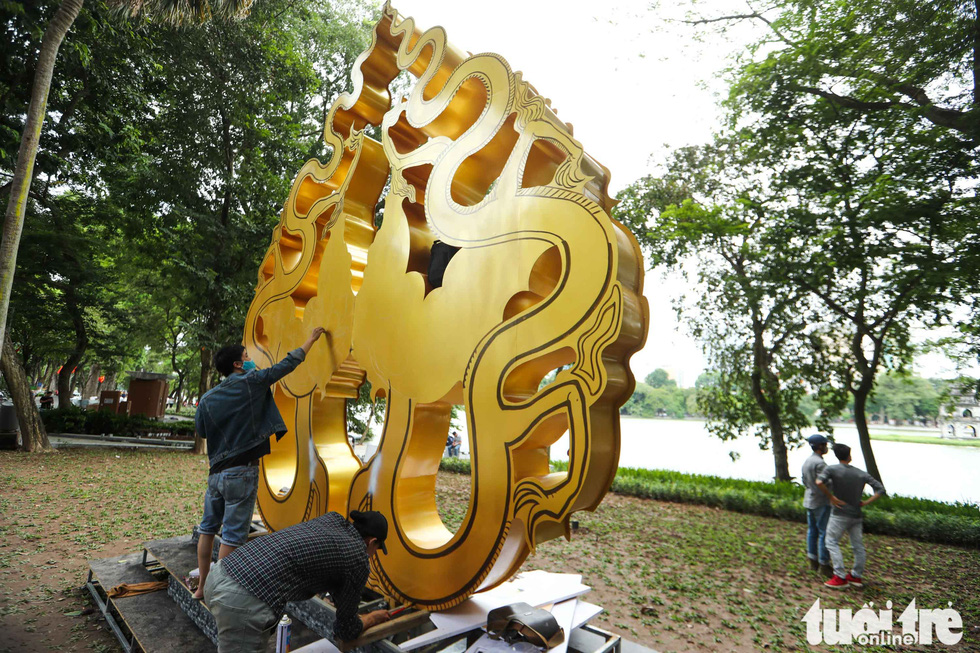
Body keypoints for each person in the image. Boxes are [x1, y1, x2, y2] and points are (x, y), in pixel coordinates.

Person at [192, 326, 326, 600]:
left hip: (215, 476)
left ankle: (202, 587)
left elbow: (203, 432)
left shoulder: (206, 399)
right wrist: (310, 339)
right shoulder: (251, 382)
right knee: (232, 536)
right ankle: (220, 593)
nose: (251, 359)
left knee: (207, 528)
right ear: (239, 364)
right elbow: (286, 366)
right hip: (242, 473)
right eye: (246, 355)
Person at [203, 510, 392, 652]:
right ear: (371, 541)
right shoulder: (358, 557)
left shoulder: (332, 519)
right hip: (242, 601)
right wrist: (372, 617)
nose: (373, 554)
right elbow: (346, 630)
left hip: (219, 574)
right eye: (377, 548)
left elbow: (325, 562)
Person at [816, 443, 886, 589]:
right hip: (856, 514)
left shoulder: (831, 469)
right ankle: (856, 576)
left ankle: (840, 576)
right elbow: (880, 489)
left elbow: (819, 482)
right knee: (858, 546)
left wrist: (831, 497)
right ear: (849, 455)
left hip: (839, 514)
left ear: (836, 455)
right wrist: (866, 502)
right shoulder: (861, 473)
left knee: (831, 542)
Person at [801, 433, 832, 577]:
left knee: (812, 531)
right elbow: (825, 483)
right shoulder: (820, 464)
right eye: (825, 445)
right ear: (820, 446)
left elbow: (804, 481)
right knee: (823, 532)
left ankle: (812, 560)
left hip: (809, 499)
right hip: (821, 501)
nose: (826, 447)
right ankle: (824, 563)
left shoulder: (807, 461)